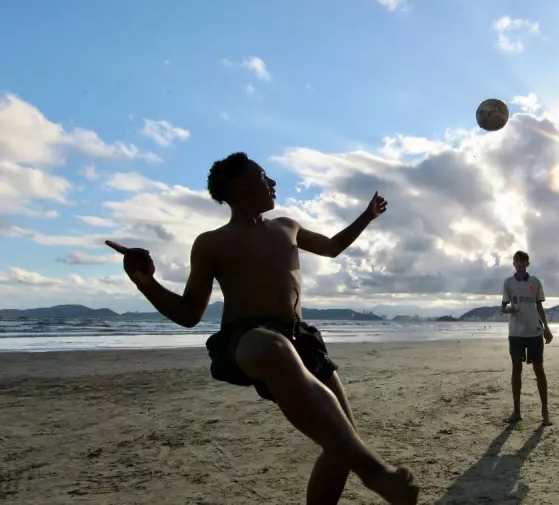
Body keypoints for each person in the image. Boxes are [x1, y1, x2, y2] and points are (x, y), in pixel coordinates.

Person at [106, 152, 418, 505]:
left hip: (299, 337)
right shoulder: (211, 242)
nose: (272, 182)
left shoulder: (287, 227)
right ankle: (377, 475)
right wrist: (146, 283)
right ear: (238, 184)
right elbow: (190, 312)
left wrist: (366, 216)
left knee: (343, 441)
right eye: (264, 175)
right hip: (245, 338)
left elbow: (332, 248)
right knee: (274, 348)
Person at [500, 250, 553, 426]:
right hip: (516, 333)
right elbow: (503, 307)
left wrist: (546, 328)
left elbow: (539, 307)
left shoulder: (535, 282)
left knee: (539, 370)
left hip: (534, 332)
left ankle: (545, 412)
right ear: (514, 263)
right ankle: (516, 411)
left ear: (527, 264)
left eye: (523, 264)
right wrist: (510, 310)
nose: (521, 267)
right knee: (516, 370)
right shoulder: (508, 283)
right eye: (518, 264)